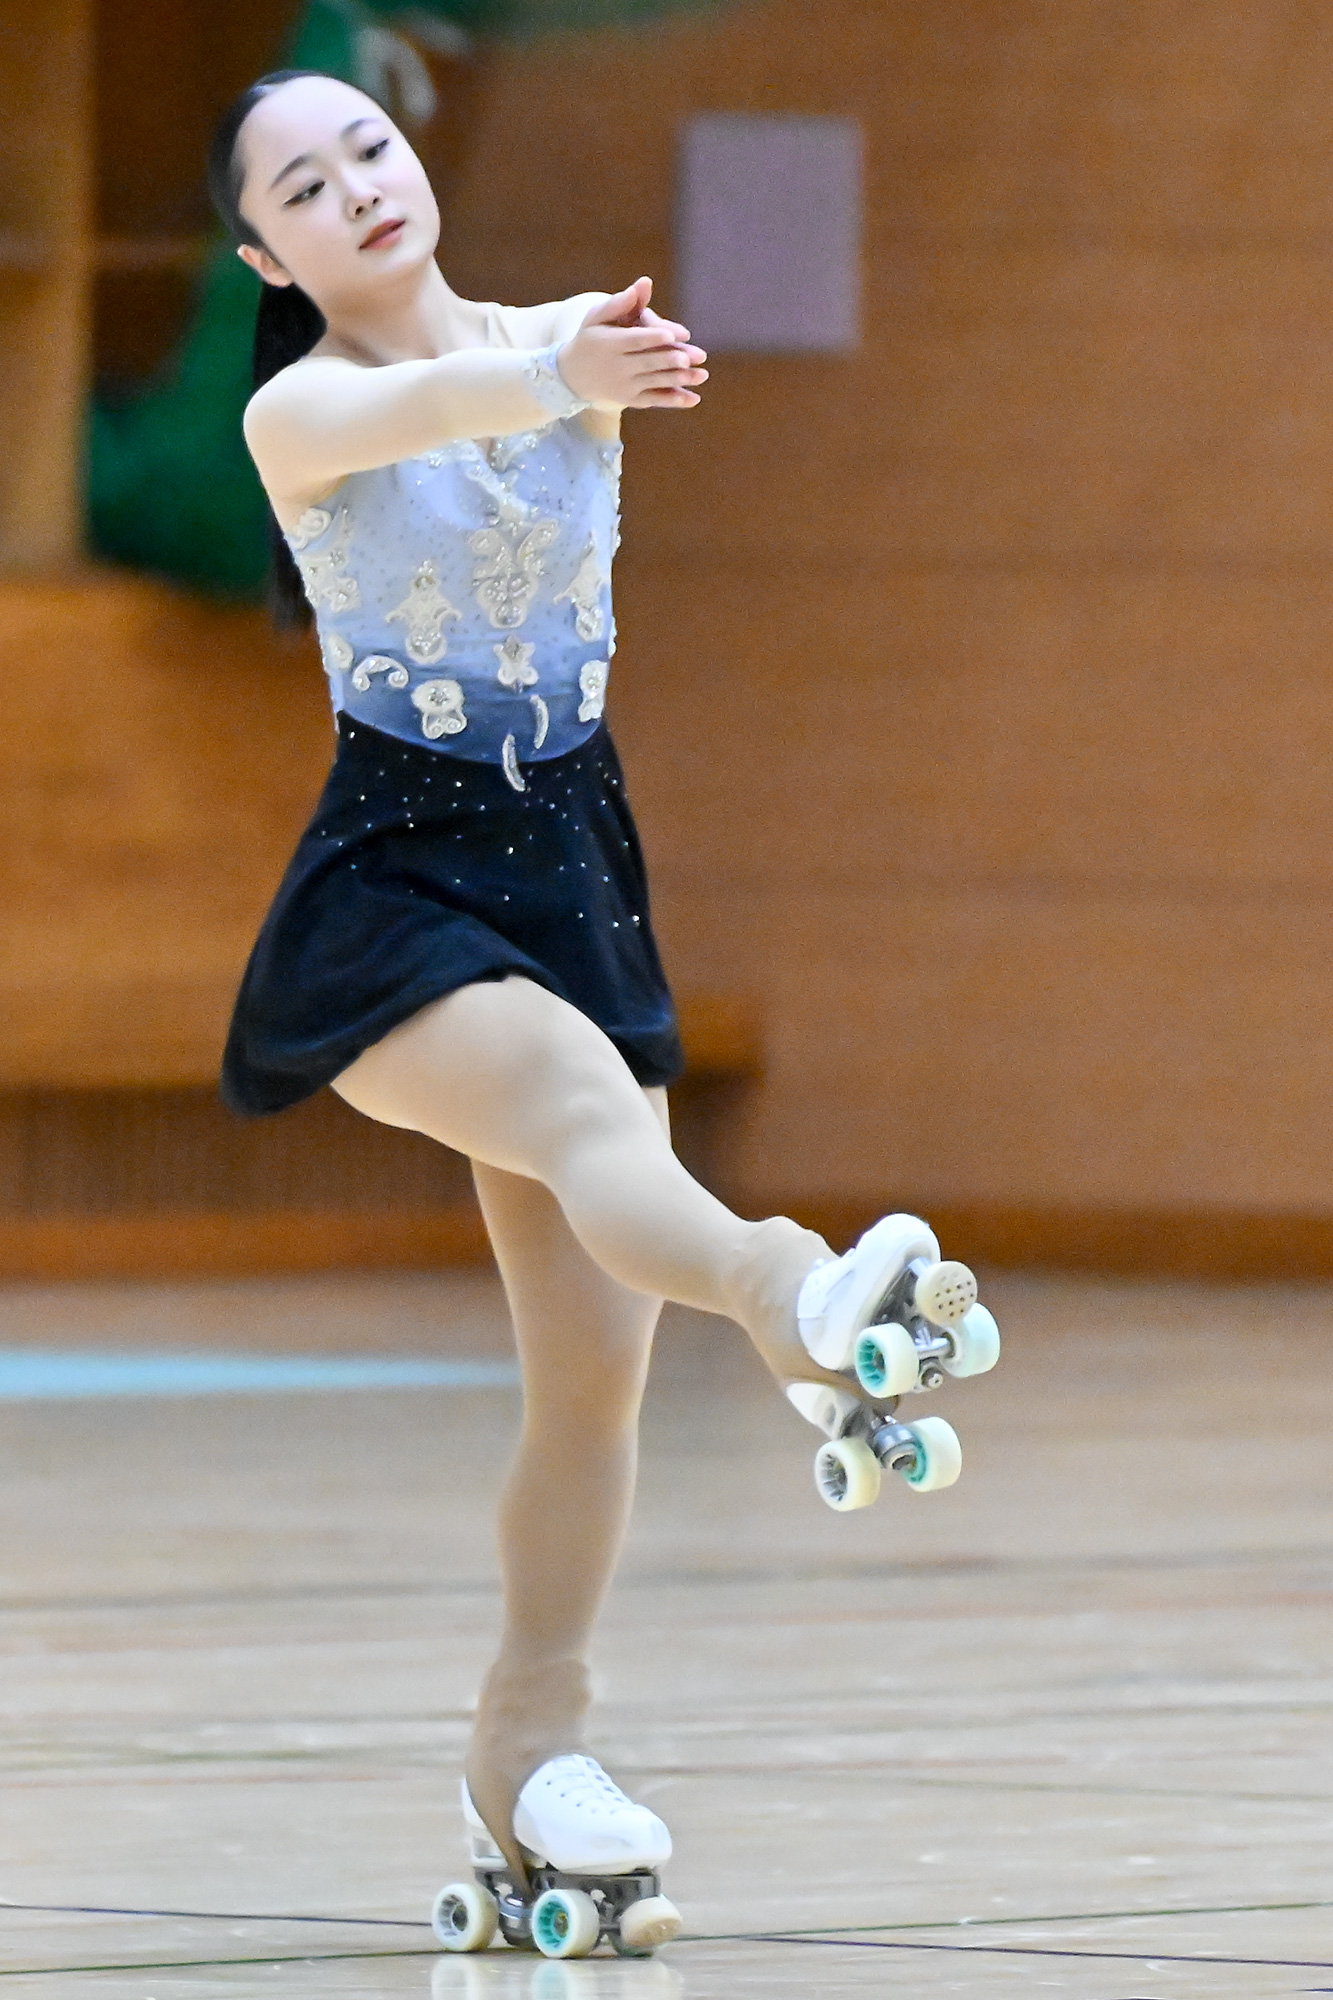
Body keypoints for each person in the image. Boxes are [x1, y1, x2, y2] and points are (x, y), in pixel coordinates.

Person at [208, 69, 980, 1916]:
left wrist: (573, 361)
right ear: (267, 257)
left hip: (569, 856)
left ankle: (529, 1745)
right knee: (576, 1114)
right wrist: (563, 371)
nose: (358, 188)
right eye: (304, 188)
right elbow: (433, 404)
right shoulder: (298, 407)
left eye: (370, 148)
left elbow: (539, 369)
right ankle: (795, 1290)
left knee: (590, 1383)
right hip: (399, 883)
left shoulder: (565, 335)